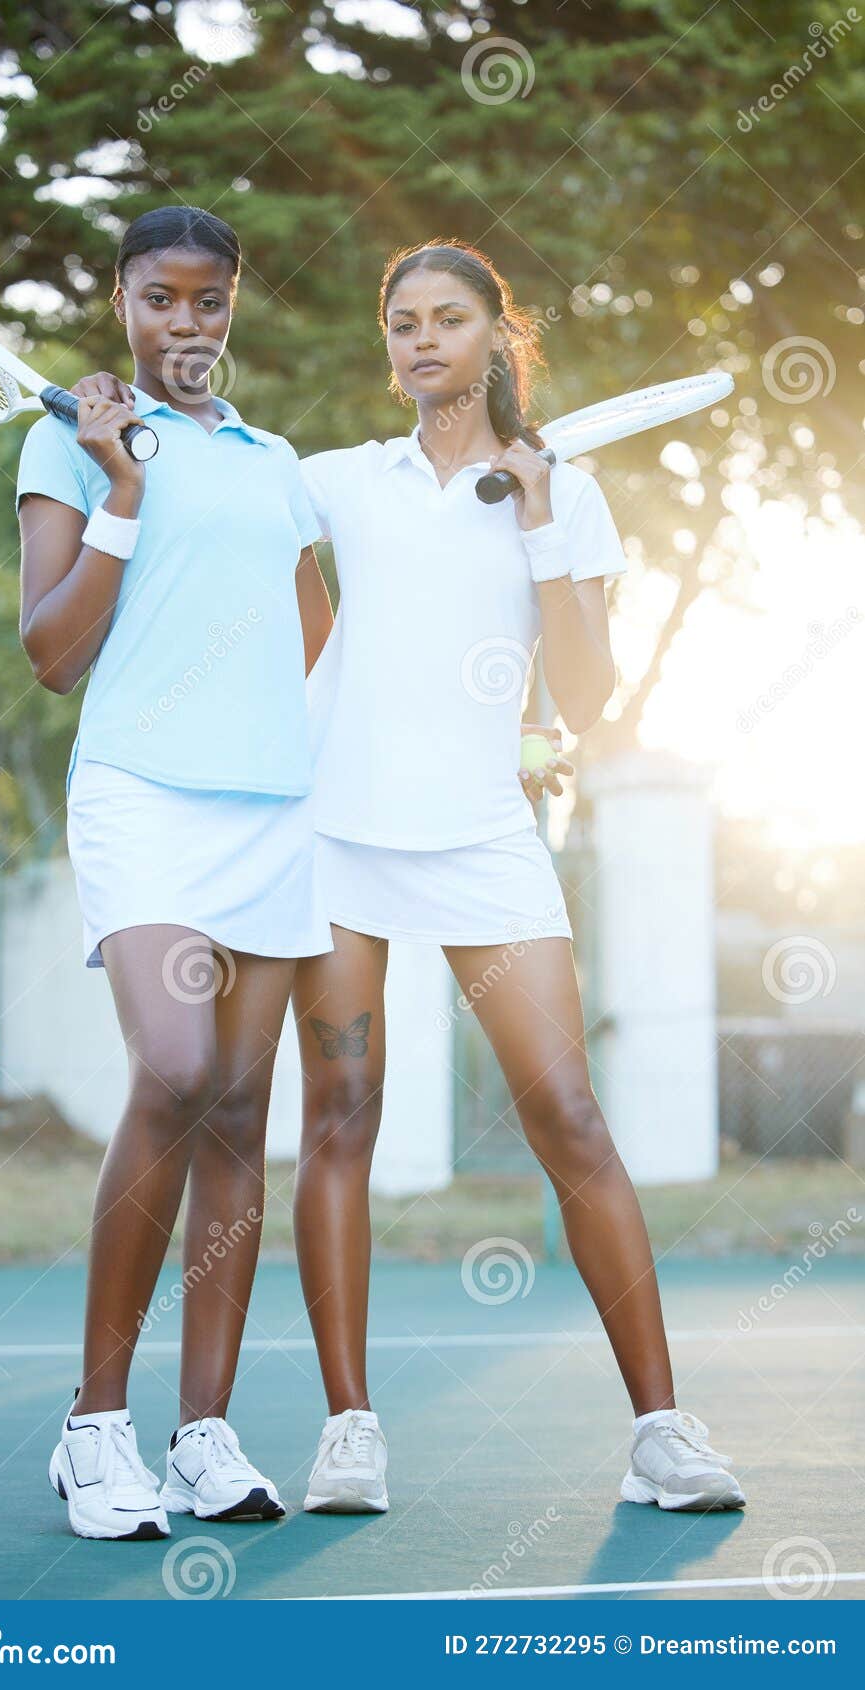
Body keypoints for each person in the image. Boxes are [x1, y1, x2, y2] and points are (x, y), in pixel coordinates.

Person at [289, 240, 745, 1517]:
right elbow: (250, 541)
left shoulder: (567, 493)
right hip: (341, 845)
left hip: (488, 843)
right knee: (341, 1116)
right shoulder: (337, 483)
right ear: (385, 347)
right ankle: (349, 1431)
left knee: (572, 1124)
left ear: (499, 335)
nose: (420, 340)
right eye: (400, 323)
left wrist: (538, 515)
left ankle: (660, 1430)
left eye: (446, 318)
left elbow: (588, 695)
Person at [16, 205, 334, 1539]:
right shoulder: (69, 442)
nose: (186, 326)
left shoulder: (277, 465)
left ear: (234, 305)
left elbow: (320, 637)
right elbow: (50, 648)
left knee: (240, 1110)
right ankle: (94, 1431)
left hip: (271, 812)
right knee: (176, 1070)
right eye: (161, 299)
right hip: (142, 794)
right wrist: (125, 490)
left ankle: (202, 1431)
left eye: (208, 301)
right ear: (121, 300)